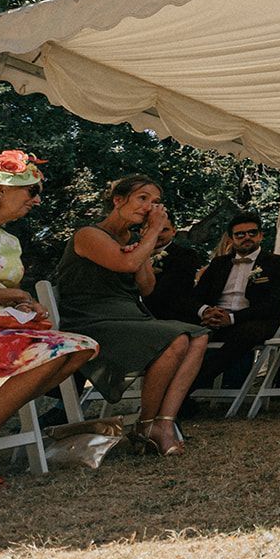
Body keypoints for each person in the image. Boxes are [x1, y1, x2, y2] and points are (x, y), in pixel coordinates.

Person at [0, 148, 98, 494]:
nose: (37, 200)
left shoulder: (9, 241)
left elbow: (1, 292)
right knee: (53, 352)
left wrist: (26, 307)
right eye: (31, 190)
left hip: (0, 327)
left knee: (81, 348)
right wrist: (16, 295)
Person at [55, 175, 211, 456]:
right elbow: (124, 264)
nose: (149, 207)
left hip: (130, 316)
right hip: (91, 320)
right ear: (118, 200)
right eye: (143, 198)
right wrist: (152, 234)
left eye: (155, 202)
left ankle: (163, 423)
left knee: (199, 337)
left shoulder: (136, 239)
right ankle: (146, 425)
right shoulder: (88, 234)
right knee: (176, 339)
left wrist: (142, 247)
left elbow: (147, 287)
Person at [189, 210, 280, 397]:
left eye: (252, 232)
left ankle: (188, 388)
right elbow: (196, 296)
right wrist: (206, 311)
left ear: (261, 235)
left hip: (254, 321)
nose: (247, 237)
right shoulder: (219, 263)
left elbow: (273, 303)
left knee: (244, 334)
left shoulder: (278, 263)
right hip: (215, 319)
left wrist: (232, 318)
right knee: (183, 331)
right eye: (240, 234)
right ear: (231, 239)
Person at [142, 223, 205, 323]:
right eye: (151, 229)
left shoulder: (185, 255)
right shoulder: (130, 253)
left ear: (174, 231)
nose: (158, 234)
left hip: (165, 316)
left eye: (164, 230)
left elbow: (172, 293)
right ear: (141, 231)